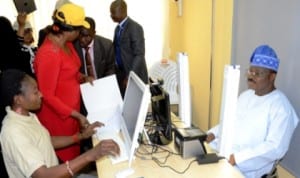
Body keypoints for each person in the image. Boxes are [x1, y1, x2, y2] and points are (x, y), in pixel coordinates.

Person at [0, 69, 120, 178]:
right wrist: (90, 155)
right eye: (36, 92)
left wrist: (81, 136)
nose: (41, 95)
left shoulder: (27, 115)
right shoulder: (13, 132)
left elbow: (45, 141)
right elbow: (43, 175)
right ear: (18, 100)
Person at [206, 45, 299, 178]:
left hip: (248, 170)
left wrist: (238, 158)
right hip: (226, 158)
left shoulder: (281, 108)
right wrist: (213, 134)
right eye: (250, 71)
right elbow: (230, 122)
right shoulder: (246, 95)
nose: (251, 76)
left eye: (258, 73)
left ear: (272, 77)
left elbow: (275, 148)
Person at [34, 3, 93, 162]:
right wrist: (77, 115)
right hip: (58, 120)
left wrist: (83, 77)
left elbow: (70, 72)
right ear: (71, 30)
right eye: (80, 30)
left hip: (71, 114)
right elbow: (47, 95)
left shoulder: (66, 44)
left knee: (73, 159)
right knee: (64, 164)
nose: (80, 34)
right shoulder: (49, 54)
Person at [110, 0, 148, 97]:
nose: (111, 15)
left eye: (113, 12)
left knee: (135, 106)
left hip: (134, 74)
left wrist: (130, 76)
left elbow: (139, 54)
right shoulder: (117, 28)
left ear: (122, 11)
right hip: (121, 73)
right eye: (110, 12)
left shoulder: (135, 27)